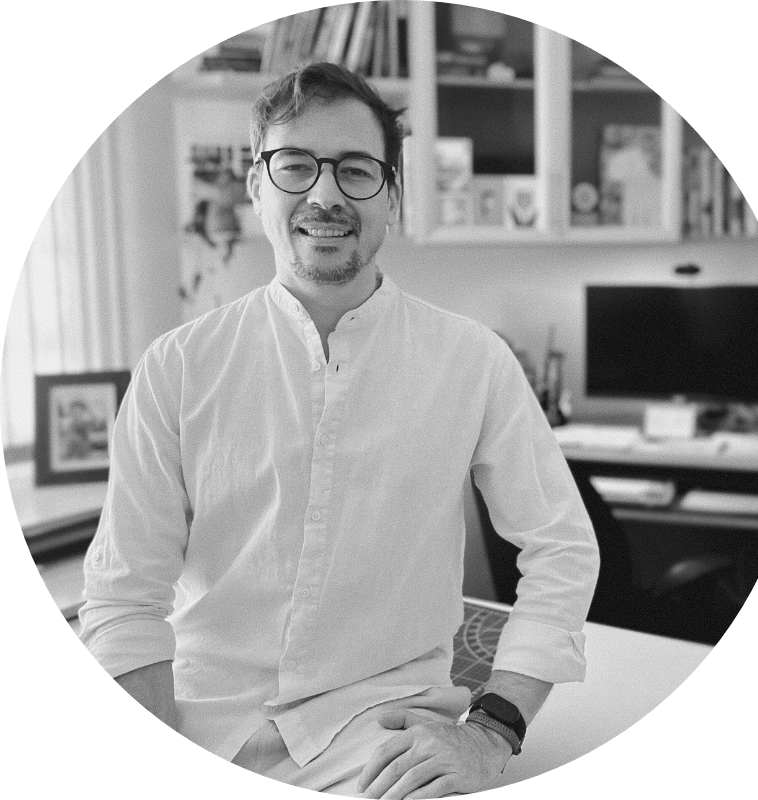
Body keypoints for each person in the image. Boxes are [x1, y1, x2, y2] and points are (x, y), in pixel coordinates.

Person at [80, 63, 599, 798]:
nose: (324, 195)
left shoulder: (474, 360)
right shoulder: (177, 366)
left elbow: (562, 549)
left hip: (383, 733)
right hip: (197, 719)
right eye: (295, 165)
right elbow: (125, 596)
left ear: (392, 194)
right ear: (257, 186)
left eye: (355, 170)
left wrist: (492, 730)